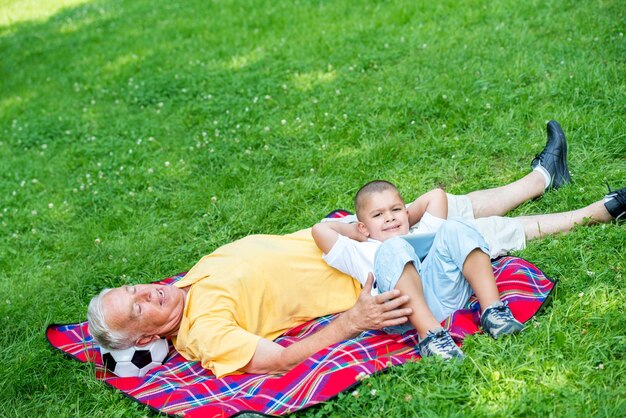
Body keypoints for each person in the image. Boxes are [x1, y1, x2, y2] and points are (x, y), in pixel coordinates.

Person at [87, 120, 626, 377]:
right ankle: (595, 211)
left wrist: (346, 228)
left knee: (438, 202)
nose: (148, 294)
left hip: (346, 236)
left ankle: (539, 178)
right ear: (148, 334)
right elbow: (273, 361)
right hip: (372, 271)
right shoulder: (202, 330)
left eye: (136, 288)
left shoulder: (186, 282)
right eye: (139, 309)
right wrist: (352, 323)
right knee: (466, 237)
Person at [312, 180, 525, 360]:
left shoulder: (422, 230)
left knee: (457, 226)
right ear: (363, 226)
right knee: (393, 247)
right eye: (378, 215)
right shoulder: (359, 251)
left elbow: (437, 195)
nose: (389, 217)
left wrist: (405, 218)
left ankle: (494, 312)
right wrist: (357, 231)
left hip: (446, 296)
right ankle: (431, 337)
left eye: (395, 210)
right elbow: (320, 230)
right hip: (403, 315)